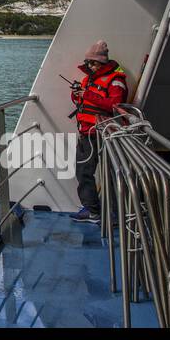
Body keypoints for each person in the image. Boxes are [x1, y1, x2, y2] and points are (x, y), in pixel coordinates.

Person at [70, 40, 128, 223]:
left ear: (102, 62)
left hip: (102, 133)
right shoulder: (88, 79)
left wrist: (86, 95)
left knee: (103, 173)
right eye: (88, 62)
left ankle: (98, 212)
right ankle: (98, 209)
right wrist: (76, 94)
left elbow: (115, 105)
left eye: (92, 63)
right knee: (84, 172)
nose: (89, 66)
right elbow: (82, 104)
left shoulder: (116, 81)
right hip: (87, 132)